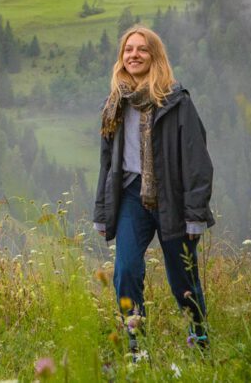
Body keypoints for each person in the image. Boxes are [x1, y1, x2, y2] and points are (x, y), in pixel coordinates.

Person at [92, 25, 214, 354]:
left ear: (154, 56)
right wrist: (102, 211)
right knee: (126, 271)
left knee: (183, 282)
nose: (134, 55)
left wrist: (195, 214)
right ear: (122, 58)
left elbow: (197, 161)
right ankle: (136, 348)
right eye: (128, 49)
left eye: (141, 49)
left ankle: (200, 342)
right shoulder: (115, 104)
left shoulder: (176, 102)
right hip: (131, 196)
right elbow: (107, 164)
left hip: (172, 200)